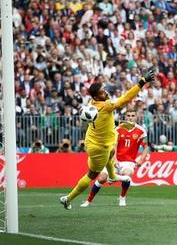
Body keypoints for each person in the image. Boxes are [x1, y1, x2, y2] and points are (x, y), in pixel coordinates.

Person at [59, 69, 156, 210]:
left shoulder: (92, 103)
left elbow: (96, 117)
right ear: (97, 96)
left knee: (112, 149)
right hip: (100, 147)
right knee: (92, 174)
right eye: (102, 91)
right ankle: (68, 199)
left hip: (91, 141)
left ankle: (112, 175)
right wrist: (142, 82)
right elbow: (126, 98)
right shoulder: (106, 106)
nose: (106, 92)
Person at [81, 107, 149, 207]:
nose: (130, 118)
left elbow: (146, 147)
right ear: (125, 117)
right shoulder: (118, 129)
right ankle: (88, 201)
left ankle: (122, 198)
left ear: (136, 117)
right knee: (101, 179)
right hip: (114, 159)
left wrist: (142, 159)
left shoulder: (141, 131)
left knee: (127, 174)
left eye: (133, 116)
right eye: (128, 116)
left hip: (128, 162)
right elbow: (114, 145)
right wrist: (115, 159)